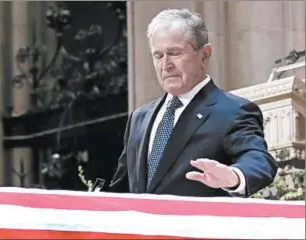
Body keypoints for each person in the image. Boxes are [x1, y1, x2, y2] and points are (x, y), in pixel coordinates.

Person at [108, 8, 278, 197]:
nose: (166, 64)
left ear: (204, 55)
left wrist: (233, 176)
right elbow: (121, 187)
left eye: (175, 53)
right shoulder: (139, 117)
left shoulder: (233, 111)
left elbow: (258, 160)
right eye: (158, 56)